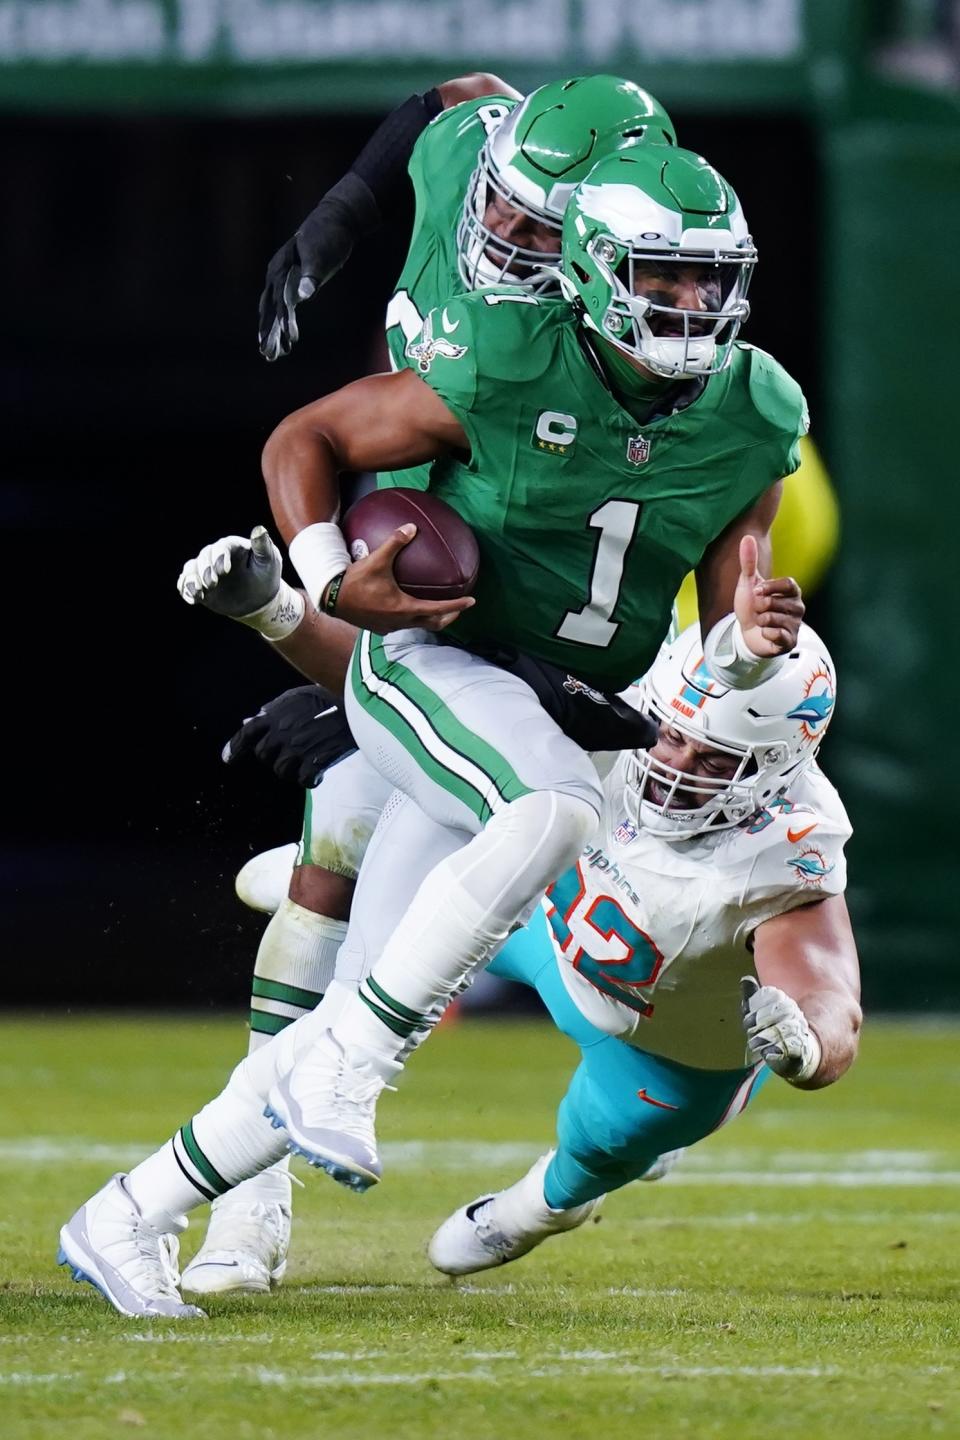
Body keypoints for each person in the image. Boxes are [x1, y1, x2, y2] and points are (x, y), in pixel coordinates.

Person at [179, 73, 680, 1296]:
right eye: (501, 205)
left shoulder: (597, 373)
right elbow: (454, 99)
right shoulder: (486, 171)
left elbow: (541, 611)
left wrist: (310, 635)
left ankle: (258, 1176)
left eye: (539, 228)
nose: (500, 236)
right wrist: (345, 212)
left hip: (590, 676)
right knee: (340, 823)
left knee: (647, 1036)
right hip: (462, 645)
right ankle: (245, 1197)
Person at [254, 143, 807, 1195]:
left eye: (709, 276)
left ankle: (164, 1203)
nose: (692, 301)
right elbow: (308, 436)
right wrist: (325, 586)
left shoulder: (758, 406)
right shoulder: (509, 354)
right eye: (663, 275)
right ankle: (324, 1097)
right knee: (548, 817)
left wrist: (745, 631)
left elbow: (741, 576)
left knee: (584, 944)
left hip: (601, 700)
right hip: (468, 663)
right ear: (598, 270)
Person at [57, 621, 859, 1317]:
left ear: (780, 767)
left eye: (713, 760)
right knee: (382, 892)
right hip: (548, 920)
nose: (674, 764)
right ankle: (202, 1199)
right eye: (672, 732)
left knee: (596, 1153)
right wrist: (343, 691)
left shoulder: (788, 852)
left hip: (660, 1042)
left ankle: (542, 1208)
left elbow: (829, 997)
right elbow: (452, 687)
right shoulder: (618, 711)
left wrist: (805, 1043)